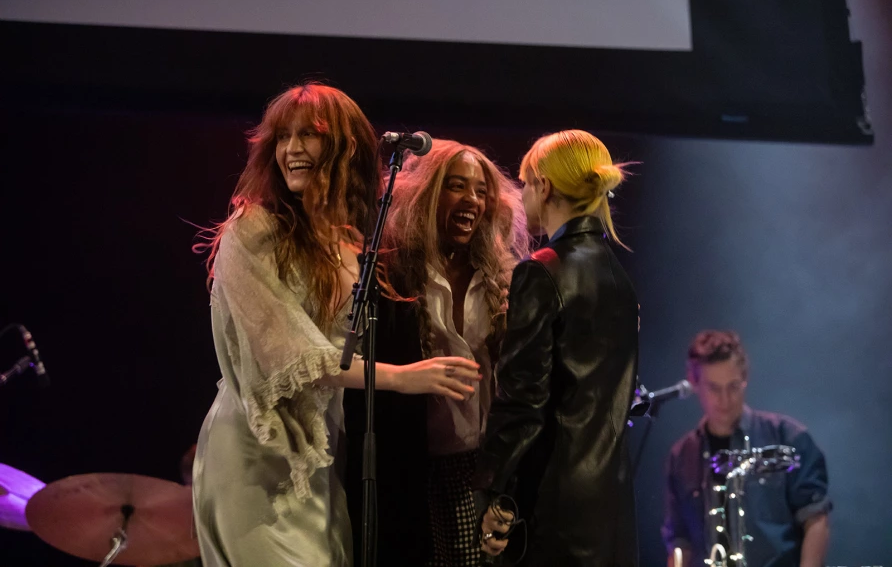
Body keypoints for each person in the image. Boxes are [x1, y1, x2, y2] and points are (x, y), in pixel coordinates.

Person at [191, 83, 480, 567]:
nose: (292, 149)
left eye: (308, 135)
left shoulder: (350, 241)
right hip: (255, 452)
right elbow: (292, 354)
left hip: (324, 457)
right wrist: (401, 377)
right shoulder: (253, 231)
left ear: (344, 146)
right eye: (283, 137)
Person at [346, 139, 528, 566]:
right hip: (411, 465)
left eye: (481, 191)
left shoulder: (503, 277)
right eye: (457, 186)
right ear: (426, 196)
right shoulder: (391, 275)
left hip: (484, 466)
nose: (472, 200)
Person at [472, 130, 639, 566]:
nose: (522, 196)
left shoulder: (541, 271)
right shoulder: (619, 276)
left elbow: (523, 399)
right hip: (611, 502)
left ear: (543, 187)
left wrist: (493, 491)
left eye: (525, 183)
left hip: (553, 504)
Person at [662, 330, 831, 567]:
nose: (725, 399)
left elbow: (816, 519)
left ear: (745, 379)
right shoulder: (682, 456)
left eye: (733, 387)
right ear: (695, 384)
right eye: (714, 388)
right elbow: (680, 542)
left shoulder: (788, 438)